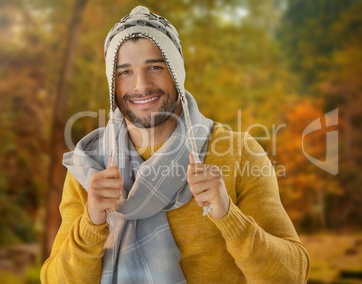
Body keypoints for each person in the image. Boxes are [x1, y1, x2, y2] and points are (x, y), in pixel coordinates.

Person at [41, 5, 309, 284]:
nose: (141, 85)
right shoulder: (90, 167)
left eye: (155, 67)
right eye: (125, 72)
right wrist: (92, 222)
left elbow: (292, 275)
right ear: (112, 84)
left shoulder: (239, 153)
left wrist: (228, 217)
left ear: (177, 72)